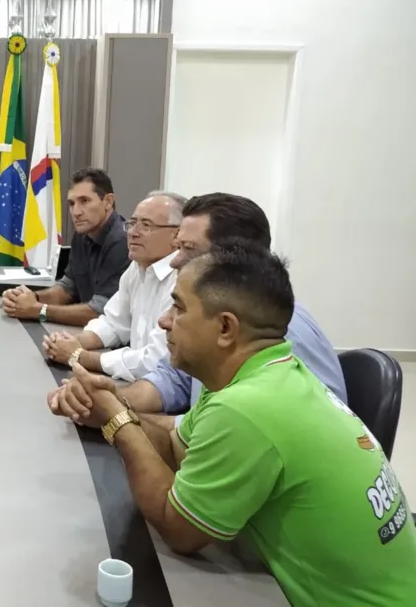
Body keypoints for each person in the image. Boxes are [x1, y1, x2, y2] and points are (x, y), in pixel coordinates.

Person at [50, 241, 416, 606]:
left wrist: (116, 420)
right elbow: (179, 446)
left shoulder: (247, 408)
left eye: (177, 307)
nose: (164, 321)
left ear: (226, 327)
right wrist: (115, 405)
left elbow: (177, 526)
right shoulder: (265, 374)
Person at [50, 192, 347, 431]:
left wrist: (115, 416)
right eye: (177, 247)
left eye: (189, 250)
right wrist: (109, 399)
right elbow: (173, 380)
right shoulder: (216, 313)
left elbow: (219, 431)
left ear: (237, 262)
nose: (175, 261)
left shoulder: (272, 332)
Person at [43, 191, 184, 381]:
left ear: (177, 235)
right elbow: (114, 322)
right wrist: (74, 341)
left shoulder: (182, 280)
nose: (133, 233)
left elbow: (156, 361)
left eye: (146, 225)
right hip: (137, 383)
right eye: (133, 223)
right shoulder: (137, 268)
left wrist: (78, 356)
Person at [1, 168, 129, 326]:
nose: (76, 212)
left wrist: (37, 310)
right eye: (71, 203)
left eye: (85, 201)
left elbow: (101, 311)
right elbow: (68, 288)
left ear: (108, 202)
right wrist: (30, 298)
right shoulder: (82, 235)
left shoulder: (122, 241)